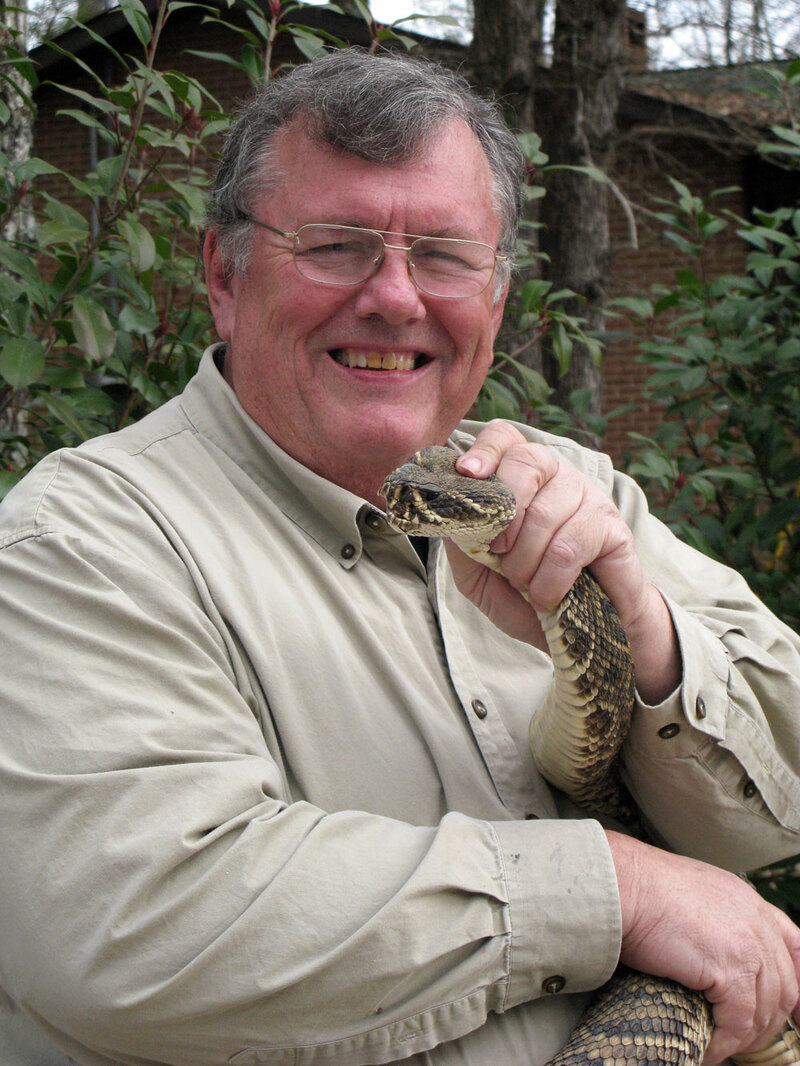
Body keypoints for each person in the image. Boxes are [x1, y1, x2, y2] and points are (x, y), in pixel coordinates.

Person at [0, 47, 798, 1066]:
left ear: (498, 298)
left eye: (444, 254)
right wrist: (619, 890)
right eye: (335, 245)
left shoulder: (568, 494)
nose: (393, 296)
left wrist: (642, 638)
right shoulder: (83, 543)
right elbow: (129, 930)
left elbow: (780, 800)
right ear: (222, 276)